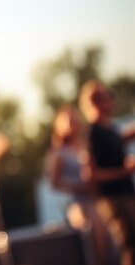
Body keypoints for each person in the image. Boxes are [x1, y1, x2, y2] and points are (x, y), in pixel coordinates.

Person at [47, 104, 113, 265]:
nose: (73, 124)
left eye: (74, 120)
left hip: (97, 199)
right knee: (93, 244)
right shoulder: (59, 153)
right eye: (68, 121)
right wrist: (78, 185)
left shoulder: (87, 145)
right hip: (79, 203)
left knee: (108, 244)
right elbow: (54, 183)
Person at [79, 80, 135, 265]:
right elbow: (90, 174)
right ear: (96, 103)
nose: (113, 99)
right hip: (113, 198)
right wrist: (124, 171)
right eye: (108, 96)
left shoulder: (109, 129)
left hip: (125, 194)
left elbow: (120, 140)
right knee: (130, 246)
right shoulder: (93, 133)